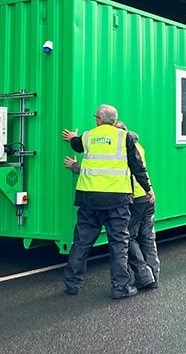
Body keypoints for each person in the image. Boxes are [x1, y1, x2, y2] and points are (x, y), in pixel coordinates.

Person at [61, 104, 154, 299]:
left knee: (81, 243)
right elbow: (137, 167)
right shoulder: (125, 138)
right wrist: (147, 189)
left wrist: (72, 138)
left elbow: (76, 144)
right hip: (116, 200)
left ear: (98, 120)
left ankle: (72, 284)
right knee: (119, 244)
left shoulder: (88, 137)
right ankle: (120, 288)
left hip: (88, 198)